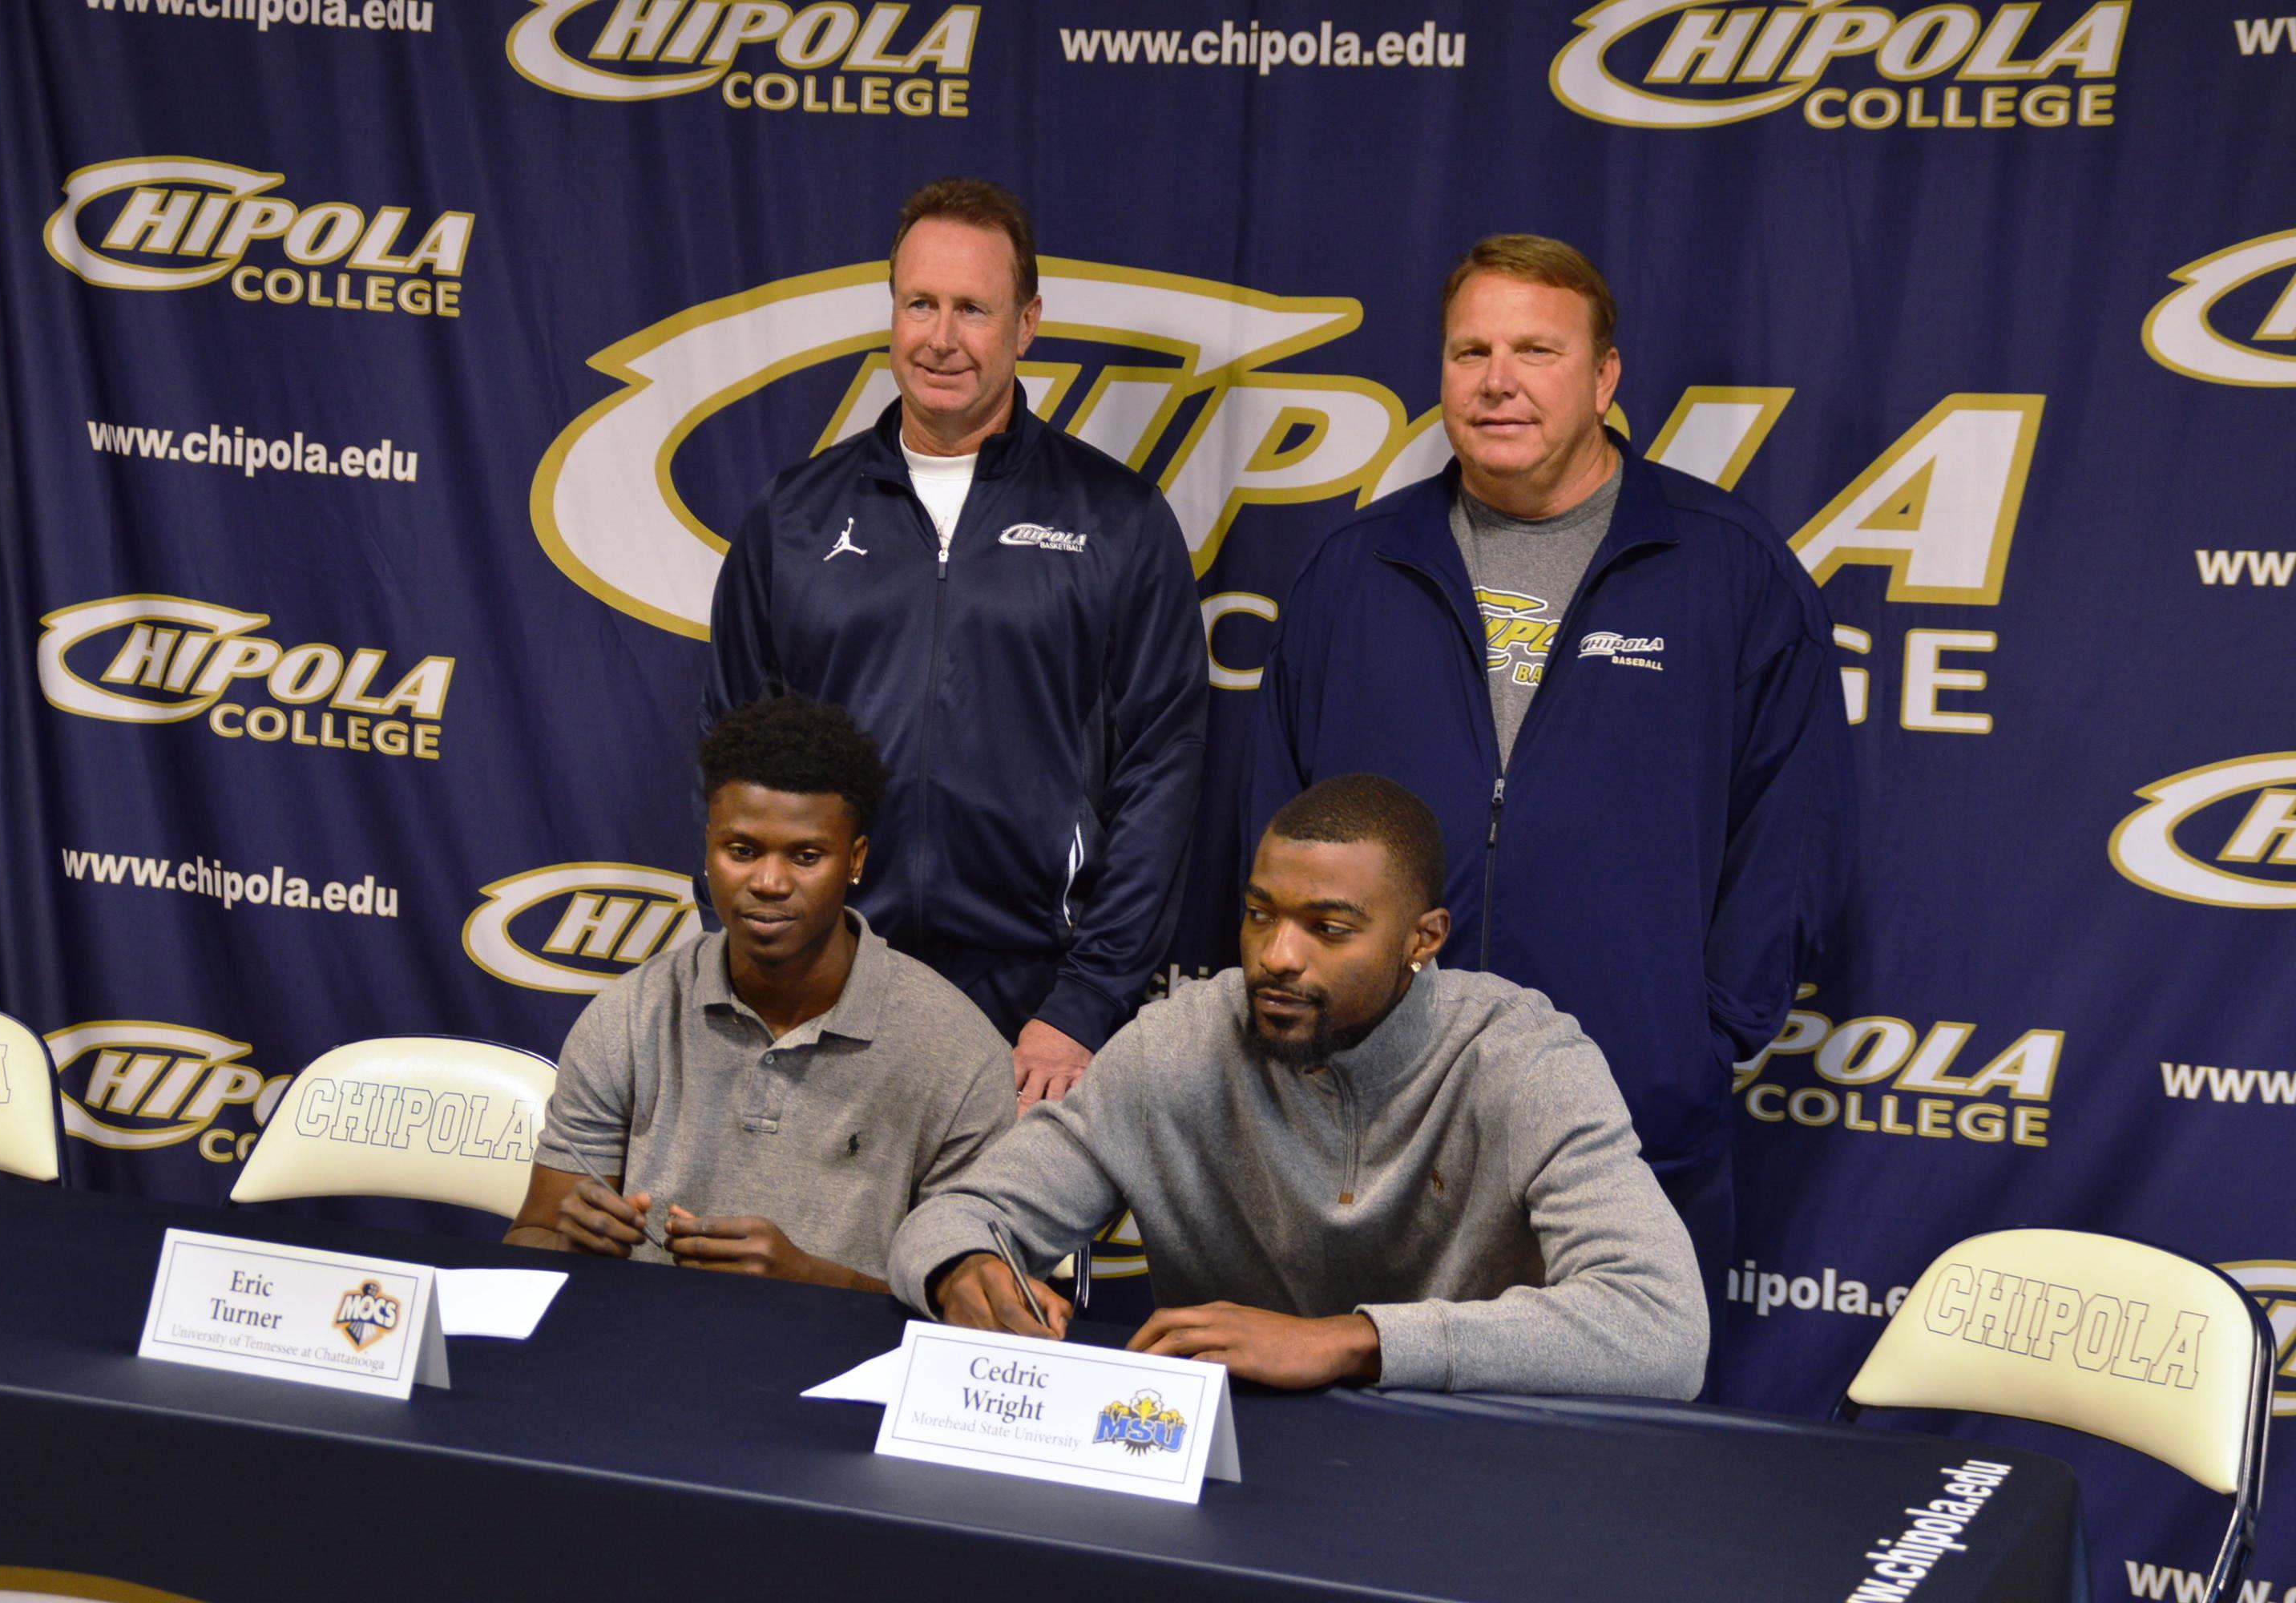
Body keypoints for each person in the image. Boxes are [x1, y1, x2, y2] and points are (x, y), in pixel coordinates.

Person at [1244, 235, 1854, 1302]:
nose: (1497, 381)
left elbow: (1794, 837)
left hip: (1628, 1132)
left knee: (1618, 1461)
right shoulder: (1358, 571)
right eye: (1469, 350)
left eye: (1536, 349)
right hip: (1372, 1133)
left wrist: (1695, 1038)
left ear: (1606, 377)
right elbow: (1274, 822)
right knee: (1356, 1453)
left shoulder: (1726, 571)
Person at [889, 775, 1706, 1399]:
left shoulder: (1522, 1059)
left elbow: (1662, 1329)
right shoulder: (1178, 1040)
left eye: (1327, 927)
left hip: (1465, 1472)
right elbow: (960, 1213)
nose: (1276, 954)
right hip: (1227, 1470)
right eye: (1257, 912)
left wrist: (1349, 1342)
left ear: (1422, 938)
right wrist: (960, 1266)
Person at [702, 176, 1207, 1114]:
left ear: (1025, 324)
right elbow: (731, 757)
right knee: (801, 1260)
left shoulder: (1118, 521)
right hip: (823, 985)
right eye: (919, 304)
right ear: (890, 312)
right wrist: (753, 965)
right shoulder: (794, 518)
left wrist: (1086, 1000)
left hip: (1031, 1013)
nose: (941, 337)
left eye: (973, 308)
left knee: (987, 1264)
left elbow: (1161, 774)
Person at [507, 695, 1015, 1291]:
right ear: (708, 848)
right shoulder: (630, 1017)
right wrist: (568, 1242)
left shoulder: (956, 1051)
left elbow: (976, 1313)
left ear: (855, 860)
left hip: (850, 1372)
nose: (769, 883)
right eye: (742, 851)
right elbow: (531, 1239)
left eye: (806, 856)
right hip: (639, 1358)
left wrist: (811, 1281)